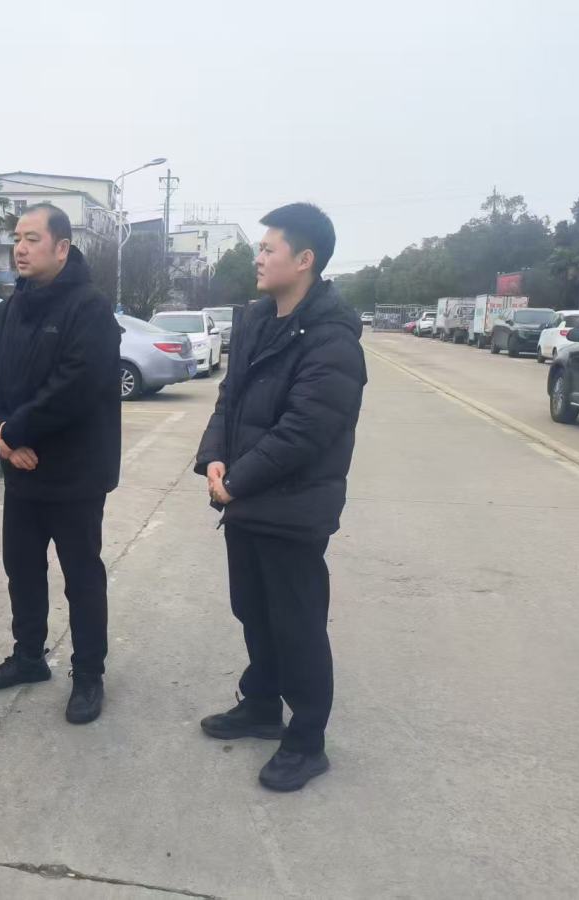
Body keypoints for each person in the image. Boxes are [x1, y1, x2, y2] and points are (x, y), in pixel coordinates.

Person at [194, 203, 366, 792]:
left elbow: (304, 431)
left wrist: (236, 480)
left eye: (269, 249)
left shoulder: (332, 339)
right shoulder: (257, 321)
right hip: (244, 500)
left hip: (292, 509)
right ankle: (263, 704)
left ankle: (307, 740)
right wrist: (215, 458)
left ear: (304, 259)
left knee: (297, 626)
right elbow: (229, 399)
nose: (259, 257)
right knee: (253, 611)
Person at [0, 203, 121, 724]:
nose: (19, 248)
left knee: (82, 577)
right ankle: (29, 656)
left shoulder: (90, 308)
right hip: (21, 470)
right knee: (22, 569)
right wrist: (0, 432)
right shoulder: (11, 307)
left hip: (75, 474)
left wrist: (14, 432)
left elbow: (75, 386)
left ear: (62, 247)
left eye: (32, 238)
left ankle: (89, 674)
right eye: (17, 238)